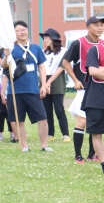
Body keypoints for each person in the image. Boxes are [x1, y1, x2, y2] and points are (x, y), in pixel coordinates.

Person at [2, 20, 52, 152]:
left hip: (32, 89)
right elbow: (4, 67)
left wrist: (43, 84)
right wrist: (6, 56)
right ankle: (24, 146)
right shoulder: (11, 48)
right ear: (14, 33)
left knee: (42, 118)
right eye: (18, 30)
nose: (22, 32)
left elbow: (41, 67)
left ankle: (44, 145)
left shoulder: (35, 47)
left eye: (24, 29)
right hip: (15, 91)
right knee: (20, 121)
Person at [62, 16, 102, 164]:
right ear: (88, 27)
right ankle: (78, 155)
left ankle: (93, 154)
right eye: (96, 25)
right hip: (84, 88)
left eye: (101, 25)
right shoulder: (79, 43)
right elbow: (66, 62)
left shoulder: (102, 45)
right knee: (82, 121)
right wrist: (75, 80)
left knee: (96, 120)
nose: (100, 28)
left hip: (99, 88)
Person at [40, 29, 69, 142]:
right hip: (44, 80)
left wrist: (48, 82)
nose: (45, 40)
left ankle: (65, 133)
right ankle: (50, 133)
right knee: (47, 110)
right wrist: (44, 83)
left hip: (56, 81)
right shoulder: (44, 52)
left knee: (59, 109)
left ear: (53, 39)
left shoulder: (64, 51)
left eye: (47, 37)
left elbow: (60, 68)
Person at [83, 39, 104, 174]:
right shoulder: (95, 50)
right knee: (96, 134)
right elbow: (93, 71)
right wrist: (98, 70)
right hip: (96, 99)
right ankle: (103, 164)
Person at [0, 49, 17, 143]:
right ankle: (3, 133)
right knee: (2, 114)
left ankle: (14, 134)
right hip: (3, 93)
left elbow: (6, 78)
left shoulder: (11, 66)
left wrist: (3, 93)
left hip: (11, 93)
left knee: (11, 114)